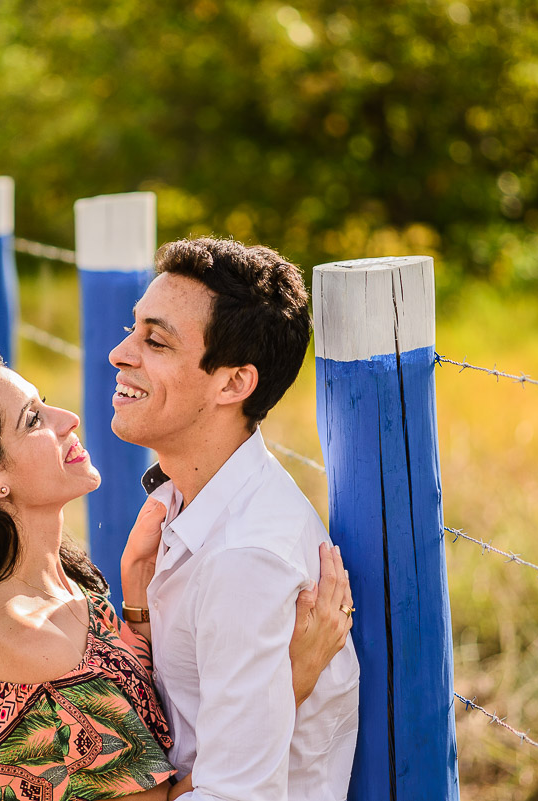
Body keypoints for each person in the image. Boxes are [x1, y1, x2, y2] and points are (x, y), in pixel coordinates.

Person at [0, 344, 354, 800]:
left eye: (43, 402)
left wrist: (136, 597)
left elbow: (130, 704)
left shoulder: (62, 583)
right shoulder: (24, 642)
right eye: (32, 420)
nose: (66, 418)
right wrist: (286, 683)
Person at [109, 238, 360, 801]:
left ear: (232, 383)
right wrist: (139, 607)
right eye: (133, 330)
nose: (121, 353)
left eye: (155, 340)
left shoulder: (246, 558)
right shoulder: (191, 500)